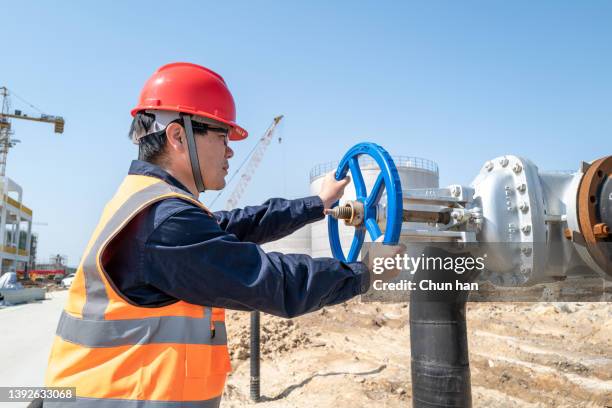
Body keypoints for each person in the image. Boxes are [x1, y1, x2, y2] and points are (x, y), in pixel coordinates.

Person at [43, 62, 371, 407]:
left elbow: (242, 223)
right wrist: (370, 274)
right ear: (178, 136)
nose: (230, 150)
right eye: (221, 135)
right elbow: (276, 283)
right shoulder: (164, 223)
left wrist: (316, 203)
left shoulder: (150, 203)